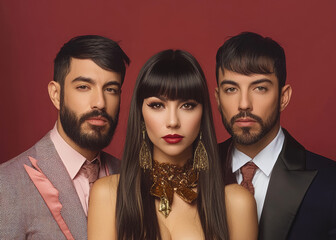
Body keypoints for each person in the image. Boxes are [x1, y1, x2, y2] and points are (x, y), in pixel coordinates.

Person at [88, 49, 258, 240]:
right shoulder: (108, 195)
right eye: (157, 105)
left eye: (187, 105)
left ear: (203, 115)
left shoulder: (236, 202)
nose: (172, 121)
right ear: (141, 115)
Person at [0, 35, 130, 240]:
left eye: (111, 89)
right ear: (56, 94)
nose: (100, 103)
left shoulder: (131, 178)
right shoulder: (7, 185)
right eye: (83, 87)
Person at [215, 32, 336, 240]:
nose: (244, 103)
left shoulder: (330, 183)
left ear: (283, 97)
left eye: (260, 88)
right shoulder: (193, 171)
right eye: (231, 89)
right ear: (218, 98)